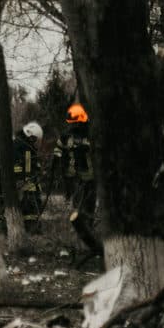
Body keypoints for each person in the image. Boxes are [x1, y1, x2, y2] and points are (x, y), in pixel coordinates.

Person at [56, 103, 99, 259]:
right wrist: (57, 159)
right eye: (71, 124)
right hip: (73, 178)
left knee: (88, 209)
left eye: (75, 124)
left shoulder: (91, 134)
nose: (72, 127)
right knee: (76, 209)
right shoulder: (66, 136)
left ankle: (89, 239)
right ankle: (79, 240)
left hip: (90, 178)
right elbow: (58, 149)